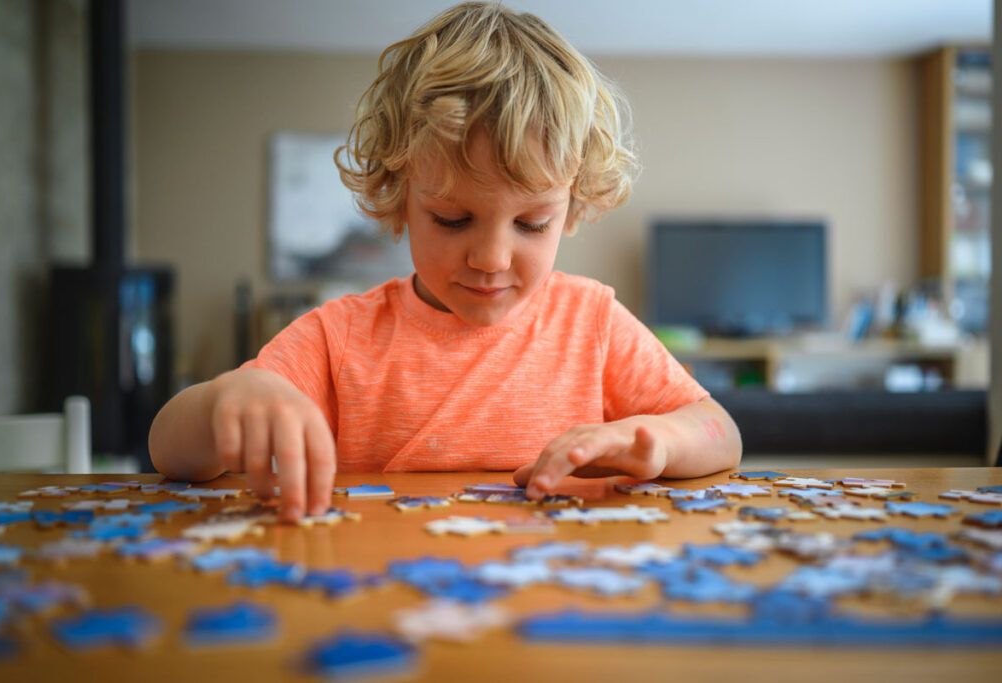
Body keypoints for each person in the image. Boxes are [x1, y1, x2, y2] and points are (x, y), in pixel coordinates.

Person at [148, 1, 742, 522]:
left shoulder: (593, 323)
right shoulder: (340, 338)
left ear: (573, 206)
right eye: (453, 220)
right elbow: (168, 451)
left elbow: (720, 432)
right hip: (387, 612)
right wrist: (228, 397)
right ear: (397, 197)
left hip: (552, 619)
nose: (490, 257)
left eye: (532, 224)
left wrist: (659, 439)